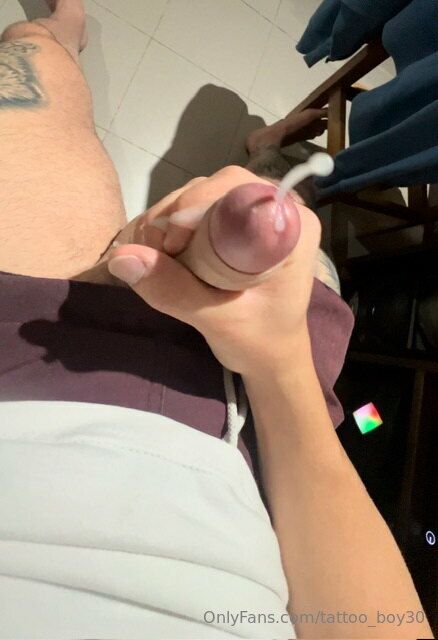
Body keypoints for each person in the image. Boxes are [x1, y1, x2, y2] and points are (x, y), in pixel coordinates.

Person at [0, 1, 433, 638]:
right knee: (297, 242)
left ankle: (56, 33)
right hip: (258, 437)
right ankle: (265, 151)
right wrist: (278, 362)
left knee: (28, 59)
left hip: (23, 366)